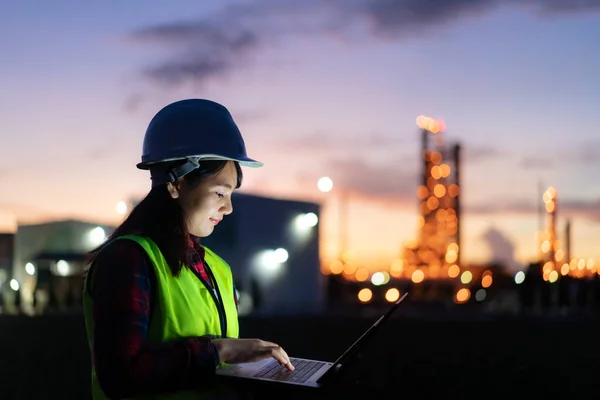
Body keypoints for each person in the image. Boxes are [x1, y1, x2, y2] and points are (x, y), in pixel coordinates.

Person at [82, 99, 295, 400]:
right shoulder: (128, 260)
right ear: (176, 183)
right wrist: (219, 350)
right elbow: (120, 376)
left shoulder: (218, 269)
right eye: (220, 192)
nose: (229, 207)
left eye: (231, 193)